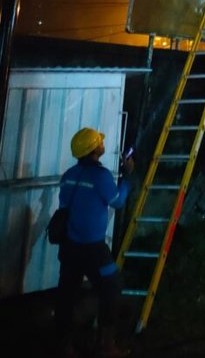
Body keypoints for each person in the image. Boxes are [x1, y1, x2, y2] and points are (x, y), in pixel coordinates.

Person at [54, 128, 135, 358]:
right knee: (111, 287)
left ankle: (64, 345)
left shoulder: (69, 174)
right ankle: (105, 345)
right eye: (99, 142)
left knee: (66, 295)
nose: (102, 143)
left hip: (70, 246)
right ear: (93, 150)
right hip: (93, 248)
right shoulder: (101, 176)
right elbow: (117, 202)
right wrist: (127, 179)